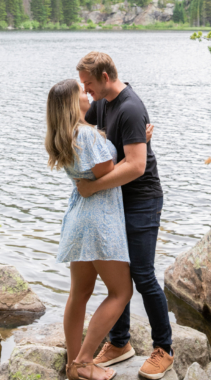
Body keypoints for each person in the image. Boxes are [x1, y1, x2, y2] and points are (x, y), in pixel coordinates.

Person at [76, 52, 174, 380]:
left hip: (142, 201)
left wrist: (92, 187)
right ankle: (119, 343)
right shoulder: (101, 104)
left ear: (105, 77)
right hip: (114, 201)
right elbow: (82, 134)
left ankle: (164, 349)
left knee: (143, 275)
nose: (86, 91)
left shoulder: (130, 108)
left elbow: (136, 166)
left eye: (88, 84)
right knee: (116, 275)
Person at [45, 78, 132, 380]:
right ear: (73, 102)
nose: (87, 93)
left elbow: (93, 172)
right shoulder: (87, 135)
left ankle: (73, 365)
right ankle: (85, 362)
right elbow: (108, 173)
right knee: (121, 292)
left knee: (79, 293)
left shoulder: (67, 134)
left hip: (79, 218)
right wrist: (137, 145)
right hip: (100, 219)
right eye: (81, 91)